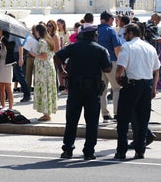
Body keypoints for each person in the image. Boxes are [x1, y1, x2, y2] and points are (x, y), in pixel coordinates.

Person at [54, 25, 112, 160]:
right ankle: (89, 151)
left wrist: (61, 71)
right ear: (93, 36)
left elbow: (57, 57)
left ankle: (68, 150)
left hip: (75, 89)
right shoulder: (100, 49)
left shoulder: (74, 47)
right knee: (92, 122)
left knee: (72, 121)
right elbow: (108, 69)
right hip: (92, 90)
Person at [114, 23, 160, 160]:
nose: (124, 36)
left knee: (123, 120)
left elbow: (120, 68)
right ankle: (140, 151)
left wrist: (118, 78)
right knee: (142, 121)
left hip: (131, 86)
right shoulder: (150, 47)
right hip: (146, 86)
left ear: (131, 34)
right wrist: (153, 88)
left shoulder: (127, 47)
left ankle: (121, 151)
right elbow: (156, 70)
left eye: (125, 34)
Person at [97, 10, 122, 123]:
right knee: (116, 88)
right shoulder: (111, 31)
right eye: (112, 19)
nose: (113, 21)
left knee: (102, 90)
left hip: (98, 63)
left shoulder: (95, 30)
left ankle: (105, 114)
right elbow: (117, 49)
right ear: (108, 19)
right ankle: (117, 113)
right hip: (111, 61)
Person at [29, 24, 57, 121]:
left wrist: (34, 54)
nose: (35, 33)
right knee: (48, 89)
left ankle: (46, 114)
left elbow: (44, 57)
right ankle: (47, 112)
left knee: (44, 89)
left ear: (39, 31)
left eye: (36, 31)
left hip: (43, 69)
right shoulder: (49, 39)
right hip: (49, 67)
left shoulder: (42, 41)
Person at [0, 30, 15, 109]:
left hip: (7, 66)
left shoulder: (11, 43)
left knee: (8, 87)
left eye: (0, 36)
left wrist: (2, 37)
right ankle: (3, 107)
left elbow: (8, 46)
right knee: (1, 88)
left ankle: (10, 108)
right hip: (0, 67)